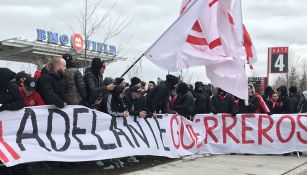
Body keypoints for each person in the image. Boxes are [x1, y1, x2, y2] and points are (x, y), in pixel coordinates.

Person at [0, 68, 28, 175]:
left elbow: (20, 103)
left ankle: (20, 169)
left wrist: (5, 107)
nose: (13, 81)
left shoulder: (12, 87)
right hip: (1, 129)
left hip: (13, 127)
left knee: (16, 147)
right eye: (9, 79)